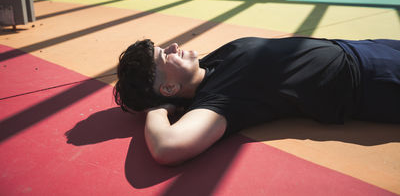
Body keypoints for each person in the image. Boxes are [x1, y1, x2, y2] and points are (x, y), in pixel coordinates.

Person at [114, 37, 400, 165]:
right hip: (372, 79)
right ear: (168, 88)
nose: (174, 47)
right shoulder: (217, 98)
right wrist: (156, 111)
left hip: (364, 48)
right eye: (166, 55)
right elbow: (167, 148)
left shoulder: (209, 66)